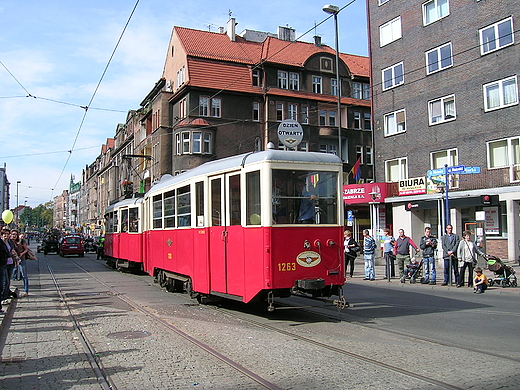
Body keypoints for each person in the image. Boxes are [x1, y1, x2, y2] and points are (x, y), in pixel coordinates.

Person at [1, 228, 18, 306]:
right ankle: (3, 297)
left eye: (7, 234)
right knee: (5, 281)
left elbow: (13, 250)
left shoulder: (10, 242)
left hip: (10, 263)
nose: (6, 236)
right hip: (3, 263)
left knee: (8, 281)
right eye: (4, 234)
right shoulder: (1, 243)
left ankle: (7, 295)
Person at [10, 230, 29, 297]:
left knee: (24, 275)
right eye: (13, 234)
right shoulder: (9, 242)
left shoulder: (21, 241)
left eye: (15, 234)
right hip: (13, 260)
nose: (14, 236)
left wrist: (21, 254)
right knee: (9, 275)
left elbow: (26, 249)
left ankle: (26, 291)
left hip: (21, 259)